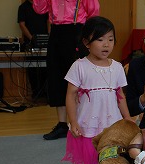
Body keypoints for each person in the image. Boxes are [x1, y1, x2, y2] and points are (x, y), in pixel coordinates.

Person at [61, 16, 132, 164]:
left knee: (114, 163)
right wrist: (73, 120)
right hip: (88, 126)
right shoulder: (79, 66)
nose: (106, 44)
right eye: (100, 39)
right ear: (86, 42)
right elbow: (70, 95)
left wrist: (128, 120)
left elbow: (121, 96)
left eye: (110, 39)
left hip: (113, 128)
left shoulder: (117, 67)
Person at [33, 0, 100, 140]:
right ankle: (62, 125)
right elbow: (39, 9)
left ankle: (81, 122)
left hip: (76, 32)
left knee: (79, 79)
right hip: (56, 33)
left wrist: (89, 37)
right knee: (56, 77)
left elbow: (93, 11)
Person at [17, 0, 49, 99]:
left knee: (45, 68)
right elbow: (22, 24)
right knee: (32, 69)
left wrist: (48, 37)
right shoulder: (23, 7)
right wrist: (32, 39)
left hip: (45, 41)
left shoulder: (44, 5)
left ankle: (45, 93)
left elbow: (49, 21)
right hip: (30, 42)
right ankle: (35, 93)